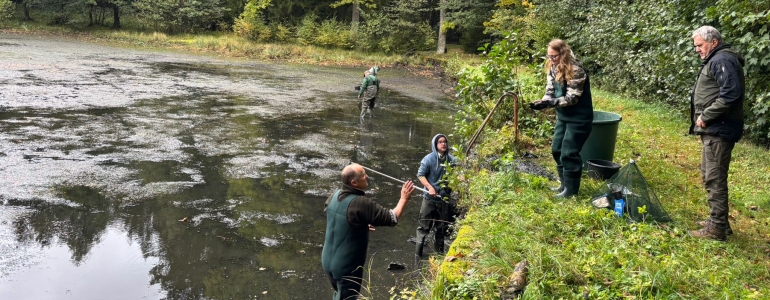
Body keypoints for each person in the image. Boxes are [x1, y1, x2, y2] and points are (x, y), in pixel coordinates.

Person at [322, 163, 415, 300]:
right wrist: (403, 199)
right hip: (346, 266)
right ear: (354, 183)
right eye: (363, 175)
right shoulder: (361, 203)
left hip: (327, 261)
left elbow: (334, 214)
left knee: (339, 295)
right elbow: (392, 218)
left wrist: (359, 225)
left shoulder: (333, 196)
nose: (367, 176)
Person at [688, 26, 745, 241]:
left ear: (713, 42)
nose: (697, 50)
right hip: (716, 127)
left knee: (715, 177)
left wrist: (706, 116)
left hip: (719, 127)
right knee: (710, 173)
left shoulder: (722, 60)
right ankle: (718, 221)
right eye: (696, 46)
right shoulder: (719, 59)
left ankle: (717, 228)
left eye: (700, 45)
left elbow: (732, 94)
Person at [530, 39, 593, 198]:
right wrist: (544, 102)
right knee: (557, 149)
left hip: (579, 118)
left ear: (563, 53)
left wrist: (551, 103)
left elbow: (572, 98)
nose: (551, 59)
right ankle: (564, 185)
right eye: (549, 56)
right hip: (563, 117)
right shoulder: (553, 67)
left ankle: (571, 192)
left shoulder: (576, 69)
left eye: (555, 56)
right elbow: (550, 90)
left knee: (569, 153)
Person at [415, 134, 457, 257]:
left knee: (441, 230)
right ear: (435, 145)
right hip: (429, 200)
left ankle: (439, 257)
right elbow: (420, 175)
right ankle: (417, 256)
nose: (443, 144)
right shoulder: (428, 159)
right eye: (440, 142)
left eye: (445, 142)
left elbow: (455, 178)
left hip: (443, 201)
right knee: (423, 228)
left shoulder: (452, 161)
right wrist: (429, 187)